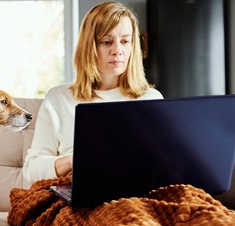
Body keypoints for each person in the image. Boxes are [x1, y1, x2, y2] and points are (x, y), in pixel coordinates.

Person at [23, 1, 163, 183]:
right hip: (82, 196)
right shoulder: (58, 99)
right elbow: (31, 169)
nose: (118, 51)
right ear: (89, 47)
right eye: (107, 42)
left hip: (138, 194)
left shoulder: (151, 99)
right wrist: (74, 160)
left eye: (125, 41)